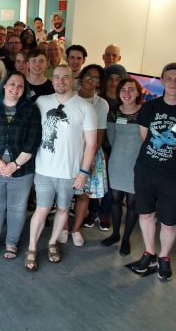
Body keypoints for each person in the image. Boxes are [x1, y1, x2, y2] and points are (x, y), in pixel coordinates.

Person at [130, 63, 176, 281]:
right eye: (169, 78)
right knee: (145, 214)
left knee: (169, 221)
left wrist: (170, 157)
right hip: (145, 170)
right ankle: (149, 253)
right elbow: (144, 137)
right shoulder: (149, 108)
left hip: (171, 175)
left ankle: (164, 257)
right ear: (162, 80)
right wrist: (162, 149)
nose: (173, 82)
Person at [26, 65, 97, 270]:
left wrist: (83, 172)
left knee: (63, 208)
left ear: (73, 80)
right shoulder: (42, 101)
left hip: (69, 171)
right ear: (52, 80)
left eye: (65, 77)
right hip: (44, 169)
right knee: (42, 209)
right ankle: (32, 248)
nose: (61, 81)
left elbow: (91, 143)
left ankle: (51, 242)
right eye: (57, 77)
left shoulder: (85, 107)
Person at [0, 72, 41, 260]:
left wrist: (14, 165)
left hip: (21, 170)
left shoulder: (31, 110)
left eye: (20, 86)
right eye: (12, 84)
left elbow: (33, 141)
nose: (16, 88)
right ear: (4, 85)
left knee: (17, 208)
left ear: (24, 89)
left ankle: (12, 242)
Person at [61, 64, 109, 247]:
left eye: (96, 78)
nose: (91, 80)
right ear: (81, 77)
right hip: (67, 154)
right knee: (65, 194)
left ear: (99, 83)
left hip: (89, 156)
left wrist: (84, 163)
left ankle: (76, 229)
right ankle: (64, 227)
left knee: (83, 195)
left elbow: (99, 137)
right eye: (88, 75)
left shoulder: (101, 104)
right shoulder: (69, 96)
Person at [102, 77, 144, 255]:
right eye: (123, 90)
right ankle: (115, 234)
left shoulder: (145, 113)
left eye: (131, 89)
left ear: (138, 92)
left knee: (132, 203)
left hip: (138, 164)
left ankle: (126, 239)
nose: (127, 93)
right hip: (117, 162)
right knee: (116, 200)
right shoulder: (113, 112)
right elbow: (111, 139)